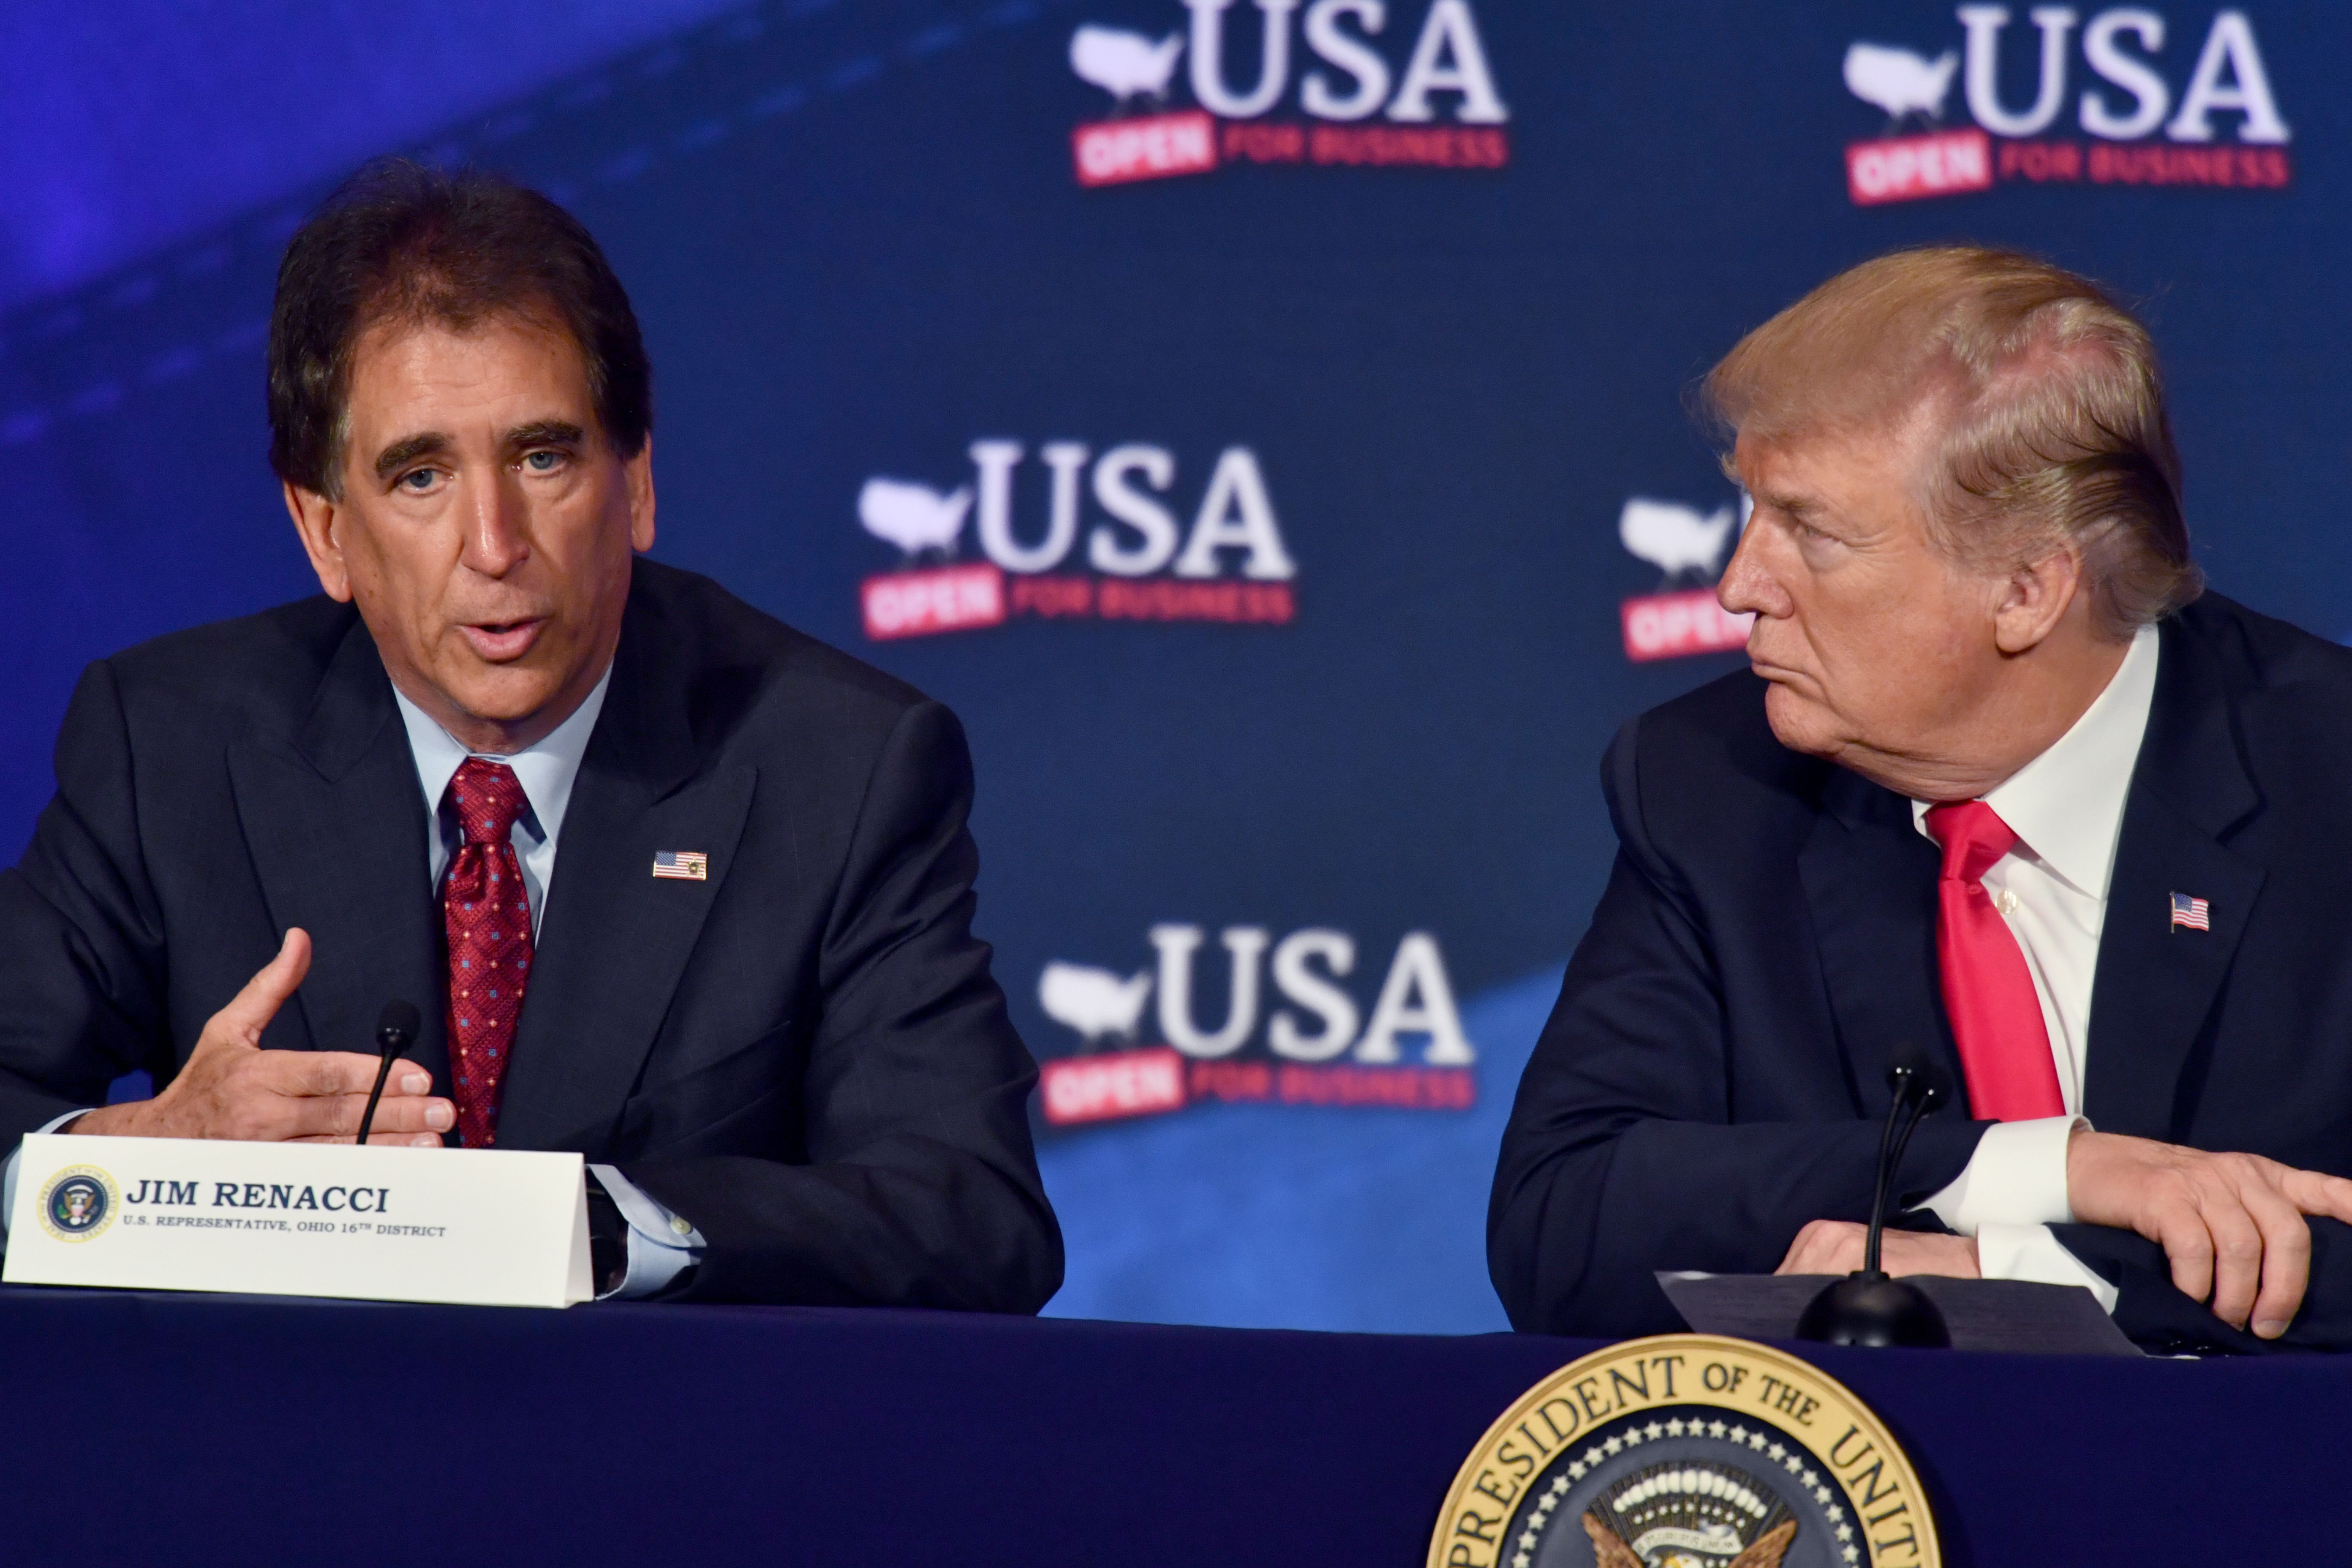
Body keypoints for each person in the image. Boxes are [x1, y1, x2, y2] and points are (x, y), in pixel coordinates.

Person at [0, 160, 1063, 1309]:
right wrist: (140, 1165)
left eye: (542, 457)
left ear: (638, 482)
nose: (495, 544)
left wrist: (608, 1227)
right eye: (419, 476)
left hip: (657, 1461)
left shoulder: (840, 767)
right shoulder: (171, 747)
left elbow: (970, 1214)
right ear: (325, 534)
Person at [1491, 246, 2352, 1353]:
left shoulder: (2326, 779)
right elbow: (1562, 1224)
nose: (1737, 586)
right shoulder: (1713, 787)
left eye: (1812, 530)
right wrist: (2039, 1169)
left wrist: (2019, 1275)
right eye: (1751, 510)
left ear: (2025, 589)